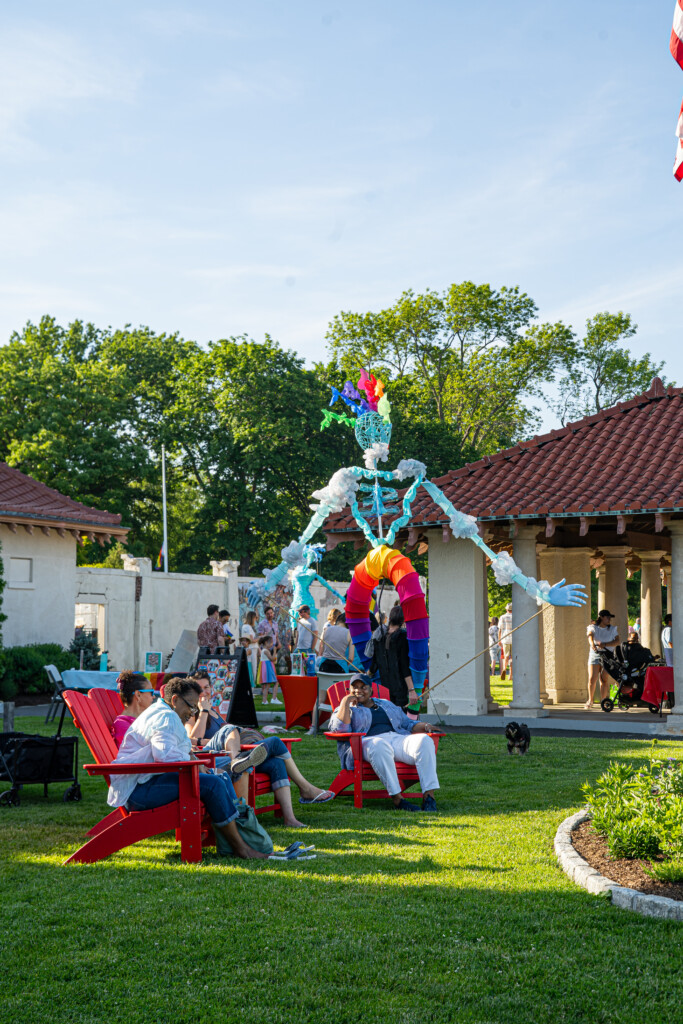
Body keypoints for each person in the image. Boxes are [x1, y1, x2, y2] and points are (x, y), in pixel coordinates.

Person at [107, 677, 268, 859]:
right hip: (139, 791)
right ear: (175, 700)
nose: (192, 713)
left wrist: (193, 760)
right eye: (190, 706)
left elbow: (172, 750)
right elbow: (164, 755)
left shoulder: (164, 712)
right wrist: (194, 762)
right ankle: (241, 848)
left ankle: (238, 842)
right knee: (213, 784)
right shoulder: (165, 716)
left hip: (146, 781)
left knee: (220, 778)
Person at [188, 674, 334, 827]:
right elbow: (192, 739)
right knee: (275, 741)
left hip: (239, 754)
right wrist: (203, 711)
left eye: (207, 688)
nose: (204, 692)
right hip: (220, 760)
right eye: (200, 689)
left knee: (276, 763)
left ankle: (290, 818)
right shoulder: (192, 714)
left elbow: (227, 736)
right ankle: (305, 788)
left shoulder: (214, 711)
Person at [330, 673, 439, 811]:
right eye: (354, 687)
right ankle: (398, 799)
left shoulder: (385, 704)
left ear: (371, 690)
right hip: (366, 743)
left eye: (363, 687)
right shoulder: (346, 709)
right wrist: (346, 701)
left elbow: (407, 724)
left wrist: (426, 726)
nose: (358, 690)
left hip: (395, 738)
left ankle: (429, 797)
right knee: (379, 744)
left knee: (424, 740)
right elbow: (339, 729)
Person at [368, 605, 418, 709]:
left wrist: (367, 675)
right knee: (400, 717)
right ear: (403, 620)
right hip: (400, 687)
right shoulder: (402, 637)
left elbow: (375, 662)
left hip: (385, 685)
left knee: (390, 715)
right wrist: (411, 690)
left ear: (390, 618)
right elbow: (404, 665)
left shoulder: (379, 635)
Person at [111, 671, 157, 748]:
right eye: (151, 692)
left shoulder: (139, 721)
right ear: (138, 695)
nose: (154, 696)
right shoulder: (123, 726)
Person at [585, 609, 620, 709]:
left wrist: (605, 644)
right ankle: (590, 700)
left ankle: (603, 700)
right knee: (592, 678)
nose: (609, 619)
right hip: (595, 654)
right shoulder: (593, 627)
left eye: (610, 617)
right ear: (601, 617)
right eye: (607, 617)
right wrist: (593, 645)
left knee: (604, 679)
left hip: (608, 655)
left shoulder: (612, 629)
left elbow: (617, 641)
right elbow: (590, 636)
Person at [258, 635, 281, 704]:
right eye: (270, 642)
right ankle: (273, 698)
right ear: (265, 642)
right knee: (276, 682)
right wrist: (274, 651)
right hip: (268, 668)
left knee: (267, 685)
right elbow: (272, 659)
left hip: (267, 667)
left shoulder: (264, 650)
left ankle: (264, 701)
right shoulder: (266, 651)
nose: (272, 644)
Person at [499, 604, 513, 680]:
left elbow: (500, 629)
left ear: (506, 609)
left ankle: (504, 668)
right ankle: (510, 675)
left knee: (506, 656)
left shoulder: (502, 617)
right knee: (512, 658)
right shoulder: (515, 616)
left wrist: (499, 639)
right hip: (514, 639)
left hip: (505, 639)